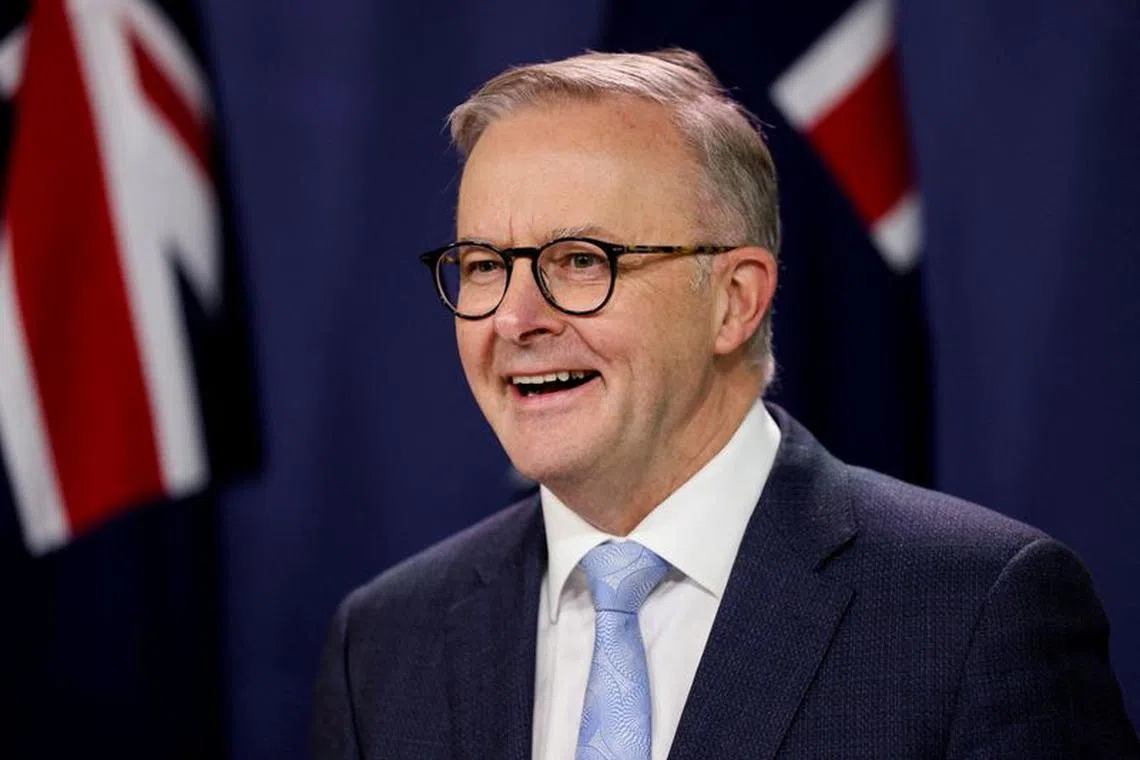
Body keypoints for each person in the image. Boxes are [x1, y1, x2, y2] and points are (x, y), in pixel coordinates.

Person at [312, 49, 1139, 759]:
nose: (517, 320)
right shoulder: (386, 642)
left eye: (578, 259)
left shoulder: (973, 614)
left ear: (736, 300)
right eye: (485, 265)